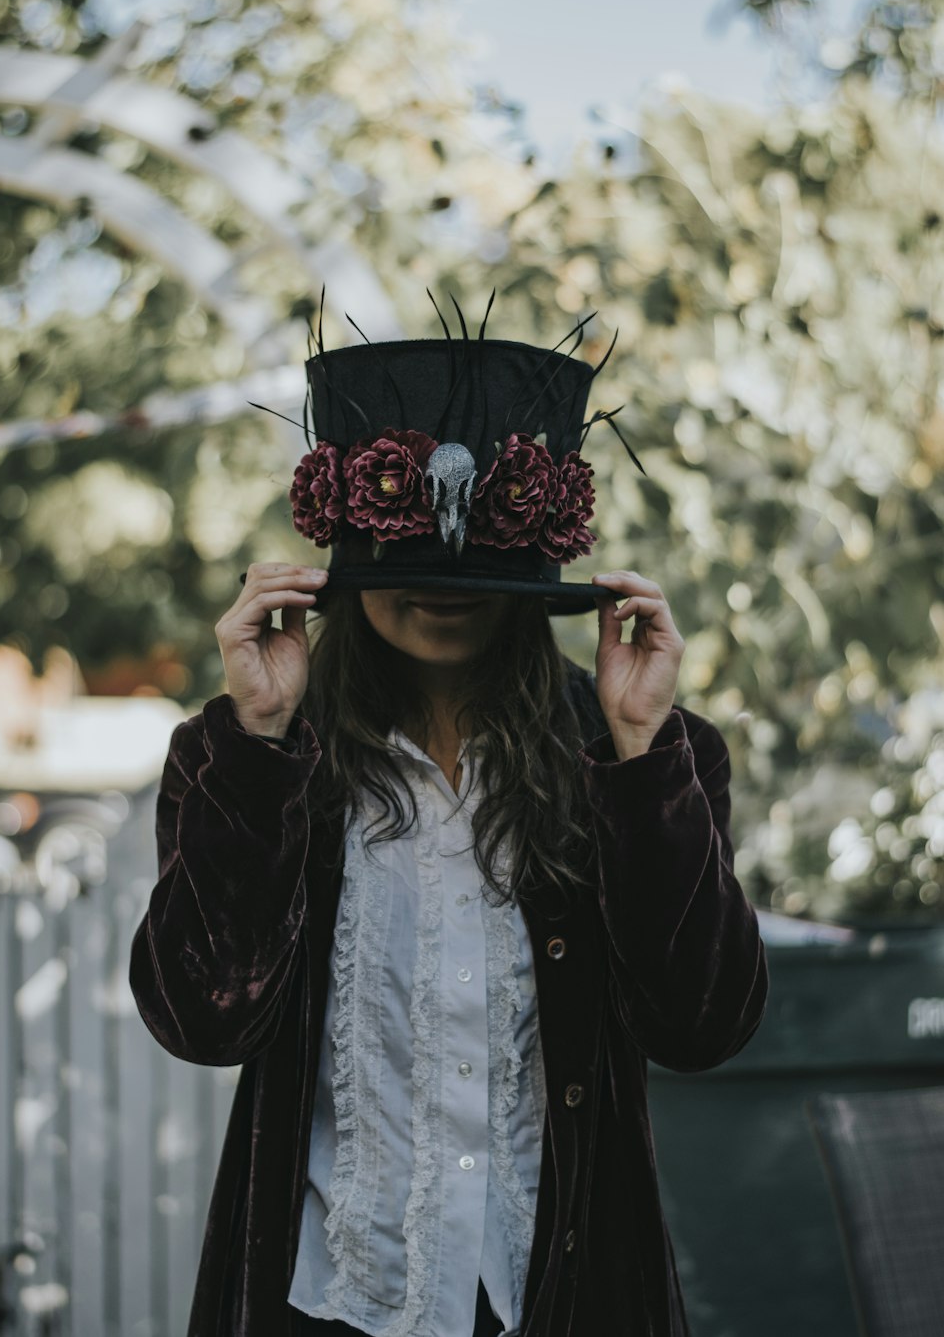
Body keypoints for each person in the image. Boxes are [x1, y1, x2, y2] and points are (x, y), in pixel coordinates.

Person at [129, 299, 768, 1337]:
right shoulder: (238, 755)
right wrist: (259, 744)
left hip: (563, 1302)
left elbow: (702, 1024)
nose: (443, 592)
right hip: (322, 1303)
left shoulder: (641, 751)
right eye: (414, 562)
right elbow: (203, 1019)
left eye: (472, 568)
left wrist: (642, 758)